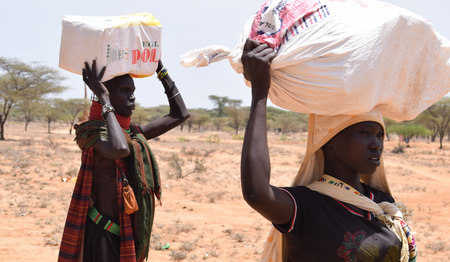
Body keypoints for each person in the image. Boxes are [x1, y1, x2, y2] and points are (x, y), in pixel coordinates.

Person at [240, 39, 417, 262]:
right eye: (364, 133)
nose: (376, 144)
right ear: (329, 140)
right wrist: (259, 92)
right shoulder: (307, 207)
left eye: (380, 135)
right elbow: (257, 193)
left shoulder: (380, 202)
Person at [59, 59, 189, 262]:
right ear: (107, 95)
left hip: (127, 231)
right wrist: (104, 99)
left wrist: (161, 72)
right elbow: (118, 149)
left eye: (132, 90)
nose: (132, 96)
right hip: (103, 231)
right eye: (124, 90)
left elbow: (180, 114)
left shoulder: (132, 133)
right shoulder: (93, 135)